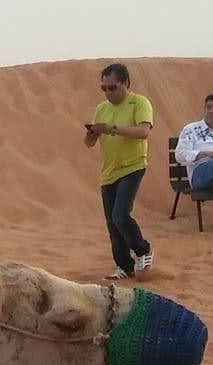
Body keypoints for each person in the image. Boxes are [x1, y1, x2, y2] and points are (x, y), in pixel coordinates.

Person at [83, 62, 154, 281]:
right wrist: (93, 134)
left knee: (120, 215)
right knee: (112, 225)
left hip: (132, 166)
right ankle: (125, 266)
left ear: (126, 83)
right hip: (108, 172)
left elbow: (143, 131)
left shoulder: (139, 103)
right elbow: (89, 144)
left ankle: (143, 250)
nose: (108, 92)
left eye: (112, 87)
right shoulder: (101, 109)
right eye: (103, 88)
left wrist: (112, 129)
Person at [175, 93, 213, 192]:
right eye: (208, 107)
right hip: (200, 174)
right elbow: (180, 154)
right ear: (204, 109)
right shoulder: (191, 129)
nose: (211, 111)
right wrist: (205, 154)